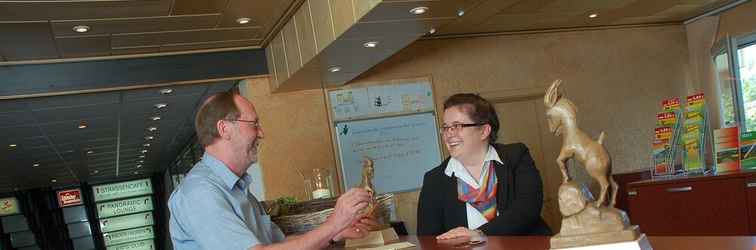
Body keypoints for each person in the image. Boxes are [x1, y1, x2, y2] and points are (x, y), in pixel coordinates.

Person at [168, 91, 375, 250]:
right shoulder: (200, 193)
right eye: (254, 124)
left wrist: (335, 232)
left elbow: (280, 244)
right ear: (224, 129)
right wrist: (333, 223)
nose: (262, 133)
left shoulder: (239, 190)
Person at [417, 93, 551, 239]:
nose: (448, 134)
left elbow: (527, 211)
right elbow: (428, 240)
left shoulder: (515, 157)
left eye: (457, 126)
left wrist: (480, 234)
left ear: (484, 131)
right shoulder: (434, 179)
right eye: (446, 127)